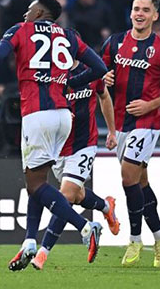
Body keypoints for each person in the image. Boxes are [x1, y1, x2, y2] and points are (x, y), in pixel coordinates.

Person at [0, 0, 108, 270]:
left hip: (37, 114)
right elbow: (100, 68)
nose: (25, 13)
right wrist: (71, 82)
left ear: (41, 12)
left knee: (35, 184)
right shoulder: (69, 36)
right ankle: (30, 241)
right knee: (36, 181)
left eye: (30, 8)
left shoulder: (21, 30)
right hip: (63, 116)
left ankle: (84, 226)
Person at [101, 0, 160, 268]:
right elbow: (99, 78)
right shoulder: (115, 43)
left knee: (128, 178)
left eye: (146, 10)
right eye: (136, 9)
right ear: (131, 12)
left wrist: (151, 104)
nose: (140, 14)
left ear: (155, 16)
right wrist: (104, 77)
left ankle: (135, 239)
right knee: (140, 183)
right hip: (121, 123)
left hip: (146, 123)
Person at [31, 60, 120, 270]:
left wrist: (112, 131)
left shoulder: (91, 71)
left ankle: (43, 253)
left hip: (84, 144)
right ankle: (106, 206)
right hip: (58, 148)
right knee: (77, 195)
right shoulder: (48, 74)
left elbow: (104, 96)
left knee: (66, 196)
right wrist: (56, 115)